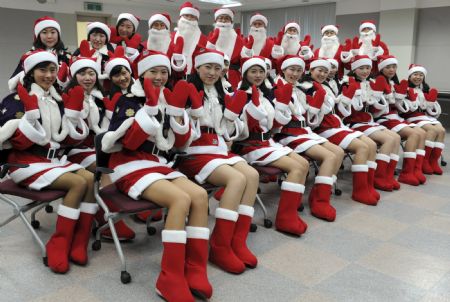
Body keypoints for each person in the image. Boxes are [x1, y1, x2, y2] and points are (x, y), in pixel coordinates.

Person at [102, 51, 211, 301]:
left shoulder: (168, 99)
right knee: (180, 200)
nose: (160, 77)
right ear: (142, 73)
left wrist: (181, 115)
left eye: (164, 72)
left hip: (156, 162)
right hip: (128, 164)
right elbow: (126, 144)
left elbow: (180, 144)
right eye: (154, 72)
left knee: (200, 195)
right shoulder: (127, 100)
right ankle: (169, 277)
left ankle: (195, 268)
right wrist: (148, 111)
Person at [1, 50, 97, 273]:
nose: (48, 75)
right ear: (31, 72)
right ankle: (60, 241)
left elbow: (66, 139)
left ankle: (80, 239)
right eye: (42, 70)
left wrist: (75, 118)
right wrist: (30, 118)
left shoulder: (57, 99)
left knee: (91, 179)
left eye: (53, 69)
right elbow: (13, 142)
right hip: (24, 162)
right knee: (78, 183)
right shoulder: (15, 100)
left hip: (53, 161)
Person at [176, 48, 259, 274]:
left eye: (217, 68)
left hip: (218, 147)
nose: (212, 72)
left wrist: (232, 118)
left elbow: (230, 130)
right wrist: (191, 113)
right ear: (197, 67)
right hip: (193, 150)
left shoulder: (222, 91)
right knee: (236, 179)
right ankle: (219, 246)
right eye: (207, 67)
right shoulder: (186, 89)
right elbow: (178, 133)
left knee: (252, 175)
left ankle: (237, 241)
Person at [234, 56, 310, 235]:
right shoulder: (239, 95)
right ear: (245, 74)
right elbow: (239, 131)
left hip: (268, 142)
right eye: (253, 71)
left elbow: (274, 126)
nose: (258, 75)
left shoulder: (266, 94)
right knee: (295, 169)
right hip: (250, 145)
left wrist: (282, 109)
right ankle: (285, 219)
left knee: (304, 164)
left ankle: (290, 212)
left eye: (261, 71)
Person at [274, 55, 344, 221]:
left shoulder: (300, 89)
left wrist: (317, 107)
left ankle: (319, 196)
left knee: (339, 152)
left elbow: (311, 121)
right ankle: (320, 202)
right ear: (283, 70)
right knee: (329, 156)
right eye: (292, 69)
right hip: (288, 134)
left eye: (299, 70)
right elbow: (277, 122)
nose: (295, 74)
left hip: (305, 132)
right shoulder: (277, 88)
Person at [301, 58, 379, 205]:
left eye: (325, 71)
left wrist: (346, 100)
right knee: (362, 147)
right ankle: (359, 190)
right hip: (323, 127)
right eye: (320, 70)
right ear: (311, 70)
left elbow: (338, 110)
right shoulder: (305, 87)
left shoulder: (326, 86)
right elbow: (310, 116)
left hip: (337, 123)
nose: (323, 74)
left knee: (372, 145)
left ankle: (368, 186)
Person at [339, 55, 402, 191]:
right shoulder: (347, 82)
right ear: (354, 69)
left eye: (368, 68)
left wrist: (377, 98)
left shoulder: (371, 83)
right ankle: (378, 177)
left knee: (396, 138)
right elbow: (347, 110)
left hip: (369, 121)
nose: (365, 71)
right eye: (361, 68)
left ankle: (388, 175)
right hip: (354, 122)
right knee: (388, 140)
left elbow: (375, 110)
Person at [375, 55, 428, 186]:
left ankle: (415, 169)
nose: (391, 70)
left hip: (396, 117)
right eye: (388, 67)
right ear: (381, 68)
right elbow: (376, 108)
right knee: (414, 134)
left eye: (394, 67)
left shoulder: (395, 83)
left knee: (422, 133)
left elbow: (401, 108)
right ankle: (406, 173)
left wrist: (400, 98)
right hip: (383, 118)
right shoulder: (377, 82)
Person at [8, 16, 72, 91]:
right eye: (44, 32)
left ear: (58, 34)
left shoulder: (67, 56)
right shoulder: (29, 56)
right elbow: (14, 83)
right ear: (38, 36)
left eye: (53, 32)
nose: (49, 36)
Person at [404, 64, 446, 175]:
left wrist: (430, 103)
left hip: (424, 117)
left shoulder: (425, 90)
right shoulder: (405, 89)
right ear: (409, 76)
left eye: (421, 75)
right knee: (432, 130)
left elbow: (433, 110)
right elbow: (403, 108)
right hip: (411, 117)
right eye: (415, 74)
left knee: (441, 130)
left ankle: (433, 161)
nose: (418, 77)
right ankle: (424, 161)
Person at [206, 8, 248, 89]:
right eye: (220, 18)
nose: (223, 21)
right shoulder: (210, 37)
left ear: (231, 22)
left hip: (233, 76)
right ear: (216, 21)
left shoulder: (238, 39)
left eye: (226, 18)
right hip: (212, 74)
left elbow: (243, 59)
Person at [171, 2, 208, 75]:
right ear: (181, 17)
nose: (189, 19)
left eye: (192, 17)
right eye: (186, 15)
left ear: (196, 20)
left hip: (195, 75)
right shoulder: (171, 36)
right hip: (172, 74)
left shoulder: (203, 39)